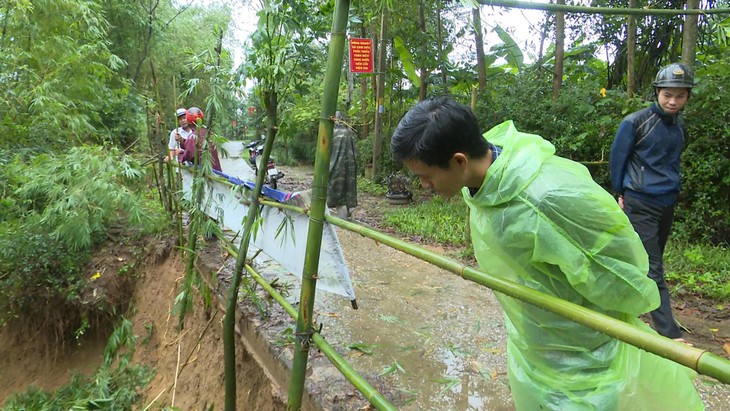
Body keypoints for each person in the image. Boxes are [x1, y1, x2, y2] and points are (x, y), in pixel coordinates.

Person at [391, 97, 702, 410]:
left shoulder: (546, 199)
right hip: (536, 345)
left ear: (459, 161)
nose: (424, 185)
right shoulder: (485, 179)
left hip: (587, 358)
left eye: (425, 176)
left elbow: (624, 281)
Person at [610, 63, 694, 342]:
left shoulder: (678, 126)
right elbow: (617, 161)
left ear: (687, 97)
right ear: (657, 92)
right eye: (667, 94)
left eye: (680, 96)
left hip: (666, 202)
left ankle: (616, 307)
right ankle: (668, 333)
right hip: (639, 200)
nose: (673, 101)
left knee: (642, 261)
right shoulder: (635, 122)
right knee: (653, 266)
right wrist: (619, 194)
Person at [327, 111, 358, 218]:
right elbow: (355, 152)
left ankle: (341, 221)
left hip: (334, 168)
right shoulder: (349, 132)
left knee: (337, 197)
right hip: (349, 169)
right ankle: (346, 217)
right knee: (345, 195)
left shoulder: (330, 132)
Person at [179, 107, 222, 172]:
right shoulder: (209, 133)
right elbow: (195, 145)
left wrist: (180, 154)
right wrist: (183, 141)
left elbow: (190, 154)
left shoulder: (193, 136)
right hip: (216, 170)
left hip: (205, 172)